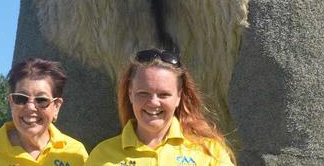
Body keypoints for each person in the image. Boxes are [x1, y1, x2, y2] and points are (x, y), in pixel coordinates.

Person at [86, 48, 235, 166]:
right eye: (143, 93)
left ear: (179, 97)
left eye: (163, 94)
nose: (153, 102)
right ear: (130, 94)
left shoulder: (210, 152)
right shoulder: (102, 155)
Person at [0, 57, 88, 166]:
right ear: (11, 102)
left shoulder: (76, 154)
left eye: (41, 100)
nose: (30, 107)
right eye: (21, 98)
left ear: (56, 107)